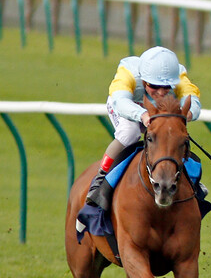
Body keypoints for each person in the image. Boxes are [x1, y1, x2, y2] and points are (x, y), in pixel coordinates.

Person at [86, 46, 201, 209]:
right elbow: (120, 101)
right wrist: (142, 115)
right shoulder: (129, 73)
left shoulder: (179, 76)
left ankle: (190, 181)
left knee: (172, 136)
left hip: (158, 113)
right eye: (154, 86)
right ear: (144, 80)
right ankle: (101, 178)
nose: (161, 92)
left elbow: (193, 100)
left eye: (167, 87)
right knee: (129, 133)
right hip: (126, 107)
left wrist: (186, 115)